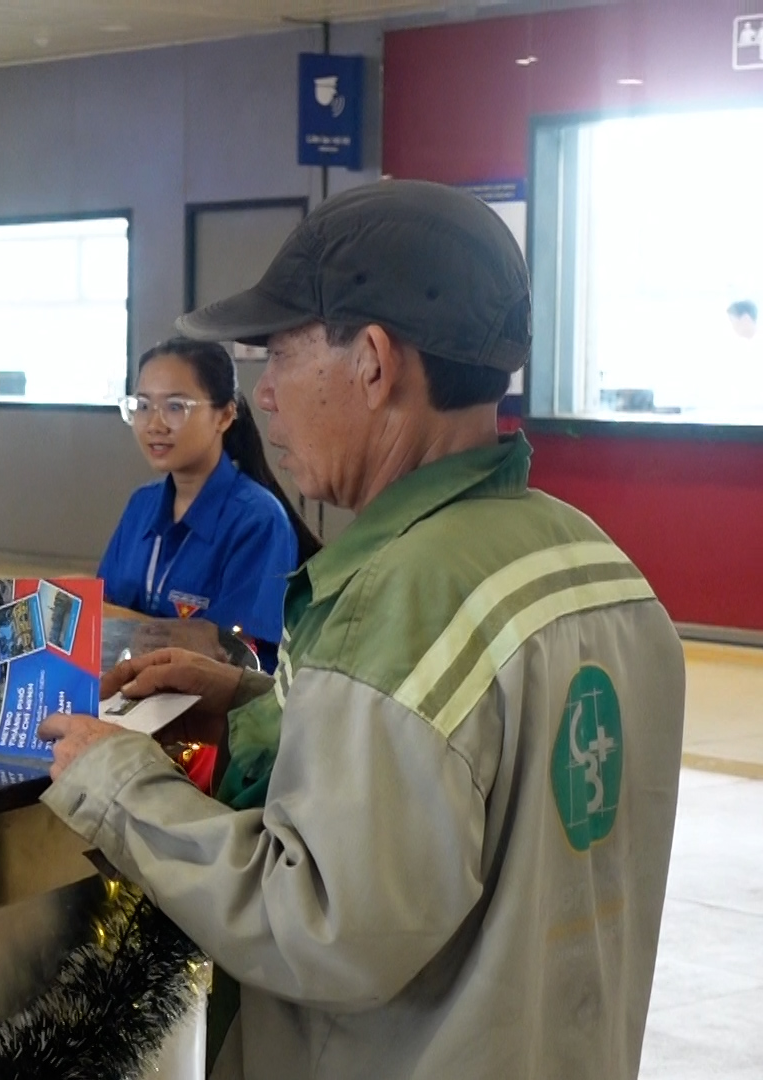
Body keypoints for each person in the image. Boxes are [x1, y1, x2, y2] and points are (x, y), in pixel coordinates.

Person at [38, 180, 685, 1079]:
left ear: (374, 361)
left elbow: (322, 923)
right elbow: (457, 777)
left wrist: (119, 784)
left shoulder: (395, 595)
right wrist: (259, 708)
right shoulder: (594, 564)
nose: (263, 396)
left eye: (279, 356)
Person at [98, 338, 319, 669]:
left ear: (225, 415)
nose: (154, 424)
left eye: (175, 406)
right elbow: (105, 613)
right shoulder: (141, 505)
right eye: (143, 406)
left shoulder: (257, 520)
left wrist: (124, 623)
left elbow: (238, 654)